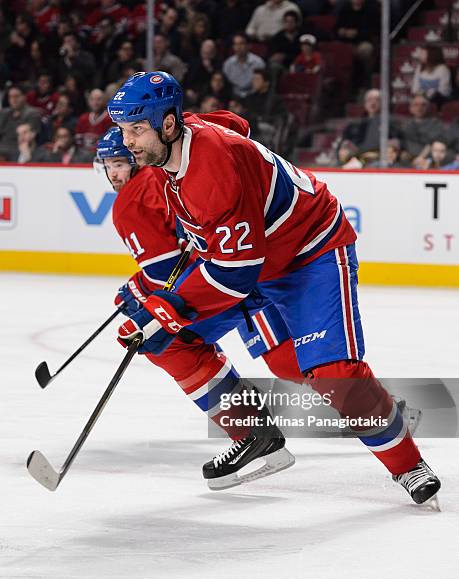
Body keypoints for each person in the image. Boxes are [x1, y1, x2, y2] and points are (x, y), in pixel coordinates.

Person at [107, 71, 441, 504]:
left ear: (169, 125)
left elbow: (234, 274)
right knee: (168, 343)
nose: (127, 142)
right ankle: (254, 433)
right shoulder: (179, 143)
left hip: (309, 252)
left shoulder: (210, 171)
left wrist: (166, 308)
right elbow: (234, 124)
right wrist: (155, 299)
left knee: (333, 375)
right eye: (122, 130)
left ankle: (408, 465)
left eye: (137, 129)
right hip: (256, 260)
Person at [95, 124, 300, 489]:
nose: (113, 173)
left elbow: (165, 277)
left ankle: (254, 433)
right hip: (256, 261)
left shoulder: (129, 203)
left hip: (223, 281)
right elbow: (237, 126)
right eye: (107, 164)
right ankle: (375, 408)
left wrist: (143, 290)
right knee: (288, 361)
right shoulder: (176, 165)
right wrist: (142, 284)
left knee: (168, 344)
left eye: (118, 163)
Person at [401, 94, 446, 166]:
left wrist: (421, 157)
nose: (419, 108)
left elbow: (433, 144)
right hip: (407, 160)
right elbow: (402, 142)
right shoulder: (406, 124)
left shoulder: (435, 123)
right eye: (416, 105)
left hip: (428, 160)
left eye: (423, 105)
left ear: (428, 108)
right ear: (410, 108)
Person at [0, 85, 42, 159]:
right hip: (2, 147)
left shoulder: (32, 113)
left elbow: (29, 137)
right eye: (10, 97)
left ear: (24, 97)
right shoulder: (4, 113)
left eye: (16, 96)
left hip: (18, 149)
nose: (13, 99)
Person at [223, 33, 265, 98]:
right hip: (234, 97)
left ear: (249, 46)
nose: (238, 47)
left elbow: (261, 85)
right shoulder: (228, 64)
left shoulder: (258, 63)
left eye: (241, 44)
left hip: (255, 96)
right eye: (235, 44)